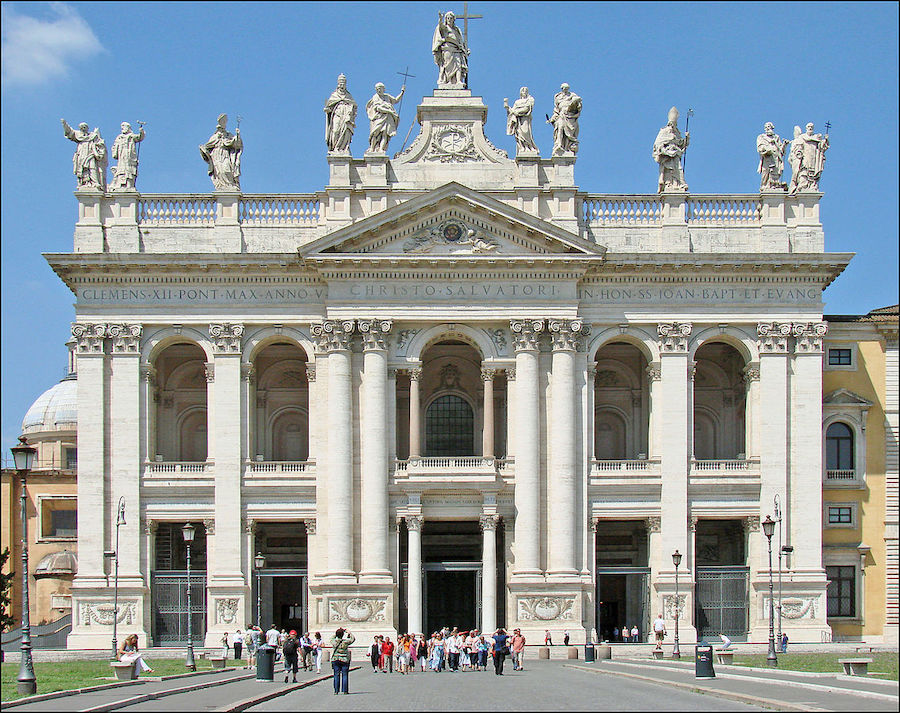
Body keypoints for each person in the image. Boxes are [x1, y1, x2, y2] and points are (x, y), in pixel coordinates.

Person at [199, 113, 242, 190]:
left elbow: (237, 145)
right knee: (219, 172)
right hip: (216, 156)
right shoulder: (214, 137)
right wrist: (203, 150)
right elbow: (207, 147)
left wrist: (238, 136)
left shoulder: (229, 135)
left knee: (227, 170)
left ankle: (230, 186)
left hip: (225, 154)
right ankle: (222, 187)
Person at [61, 119, 107, 190]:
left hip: (91, 154)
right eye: (82, 127)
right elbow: (69, 131)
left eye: (84, 127)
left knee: (92, 167)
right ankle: (84, 183)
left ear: (87, 128)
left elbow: (99, 144)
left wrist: (99, 152)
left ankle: (94, 182)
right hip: (81, 154)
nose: (83, 128)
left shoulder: (93, 136)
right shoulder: (78, 135)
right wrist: (64, 124)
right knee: (82, 168)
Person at [652, 106, 689, 192]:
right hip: (667, 156)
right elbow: (658, 143)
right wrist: (664, 150)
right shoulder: (664, 131)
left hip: (675, 154)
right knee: (669, 173)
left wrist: (687, 138)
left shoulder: (677, 133)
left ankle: (680, 184)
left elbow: (681, 144)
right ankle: (669, 184)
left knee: (678, 168)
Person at [432, 11, 468, 88]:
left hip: (457, 48)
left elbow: (460, 40)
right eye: (448, 18)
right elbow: (440, 26)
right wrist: (440, 19)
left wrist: (464, 50)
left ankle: (458, 81)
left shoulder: (456, 30)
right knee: (447, 65)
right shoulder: (445, 28)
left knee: (458, 65)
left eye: (451, 18)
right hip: (447, 48)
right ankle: (448, 81)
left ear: (453, 19)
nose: (449, 19)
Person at [366, 82, 405, 153]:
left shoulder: (387, 96)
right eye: (377, 89)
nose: (379, 90)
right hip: (379, 117)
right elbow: (378, 108)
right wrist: (389, 111)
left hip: (387, 118)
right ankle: (372, 148)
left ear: (384, 89)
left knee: (385, 134)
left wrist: (402, 92)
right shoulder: (375, 97)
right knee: (375, 133)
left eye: (380, 88)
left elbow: (396, 100)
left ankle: (381, 149)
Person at [324, 74, 357, 153]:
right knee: (335, 131)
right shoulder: (334, 95)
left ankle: (342, 148)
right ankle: (335, 147)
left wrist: (351, 111)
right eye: (340, 83)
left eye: (343, 84)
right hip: (337, 114)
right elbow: (330, 105)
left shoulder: (348, 96)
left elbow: (354, 105)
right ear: (338, 84)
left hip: (346, 116)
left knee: (345, 130)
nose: (342, 85)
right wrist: (328, 110)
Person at [547, 83, 582, 156]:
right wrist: (552, 119)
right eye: (564, 88)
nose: (565, 90)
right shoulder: (558, 97)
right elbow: (556, 111)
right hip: (561, 116)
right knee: (560, 127)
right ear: (562, 88)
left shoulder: (572, 95)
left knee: (566, 132)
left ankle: (565, 147)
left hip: (570, 116)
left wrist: (577, 103)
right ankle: (559, 145)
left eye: (567, 88)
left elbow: (578, 105)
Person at [110, 121, 145, 191]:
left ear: (128, 128)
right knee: (121, 170)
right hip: (122, 156)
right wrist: (115, 151)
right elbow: (114, 147)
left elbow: (139, 137)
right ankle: (121, 184)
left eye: (124, 127)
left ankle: (129, 184)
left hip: (129, 156)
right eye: (121, 127)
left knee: (129, 170)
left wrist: (141, 132)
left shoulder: (131, 136)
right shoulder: (119, 137)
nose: (122, 129)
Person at [504, 87, 538, 154]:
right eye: (523, 91)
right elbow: (512, 111)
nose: (524, 92)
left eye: (525, 91)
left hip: (525, 118)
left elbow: (527, 109)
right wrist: (507, 107)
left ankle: (529, 146)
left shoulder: (529, 100)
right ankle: (522, 147)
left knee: (526, 132)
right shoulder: (517, 102)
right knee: (519, 134)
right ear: (520, 93)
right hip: (518, 120)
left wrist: (517, 112)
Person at [756, 121, 788, 191]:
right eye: (766, 127)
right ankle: (765, 186)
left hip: (776, 157)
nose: (767, 128)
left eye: (769, 126)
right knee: (766, 172)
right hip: (767, 157)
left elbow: (781, 150)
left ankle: (774, 185)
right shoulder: (761, 137)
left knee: (775, 172)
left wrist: (784, 145)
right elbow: (760, 147)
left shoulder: (776, 137)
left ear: (772, 128)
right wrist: (766, 149)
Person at [330, 627, 355, 695]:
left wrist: (337, 633)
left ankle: (336, 690)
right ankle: (345, 690)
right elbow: (352, 639)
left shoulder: (334, 641)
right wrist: (349, 633)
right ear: (343, 635)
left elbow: (331, 638)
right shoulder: (345, 642)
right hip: (344, 659)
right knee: (345, 675)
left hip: (335, 659)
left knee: (336, 675)